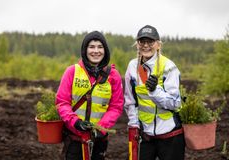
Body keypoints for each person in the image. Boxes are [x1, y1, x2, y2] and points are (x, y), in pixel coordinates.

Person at [56, 31, 124, 160]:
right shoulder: (72, 71)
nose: (96, 51)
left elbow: (116, 107)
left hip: (100, 140)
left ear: (105, 50)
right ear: (85, 50)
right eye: (91, 47)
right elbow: (62, 102)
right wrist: (75, 122)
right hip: (75, 138)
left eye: (100, 47)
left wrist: (100, 128)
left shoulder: (113, 76)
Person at [124, 25, 185, 160]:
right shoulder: (132, 66)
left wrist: (154, 90)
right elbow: (130, 101)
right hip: (145, 137)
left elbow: (175, 103)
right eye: (142, 41)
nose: (146, 45)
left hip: (170, 135)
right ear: (137, 44)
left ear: (158, 44)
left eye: (150, 42)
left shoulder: (169, 66)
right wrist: (134, 126)